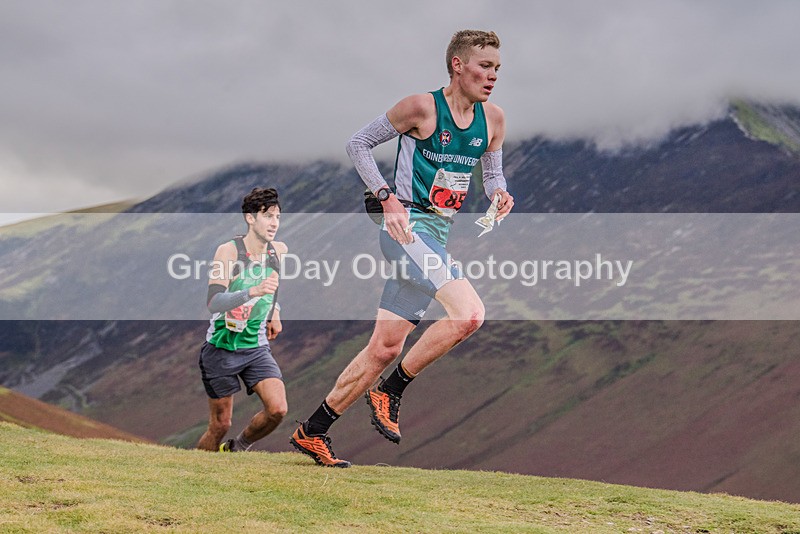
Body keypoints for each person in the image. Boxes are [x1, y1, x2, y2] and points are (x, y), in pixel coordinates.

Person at [291, 30, 514, 467]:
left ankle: (312, 430)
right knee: (469, 314)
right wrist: (385, 194)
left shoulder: (495, 121)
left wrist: (499, 192)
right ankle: (390, 391)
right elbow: (357, 144)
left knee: (386, 348)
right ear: (458, 65)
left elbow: (492, 173)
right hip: (406, 231)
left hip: (438, 232)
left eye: (497, 69)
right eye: (485, 67)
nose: (492, 77)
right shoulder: (421, 107)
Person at [196, 187, 288, 453]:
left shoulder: (278, 251)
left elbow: (274, 285)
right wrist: (251, 292)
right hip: (221, 347)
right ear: (250, 218)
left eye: (278, 217)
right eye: (267, 216)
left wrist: (275, 313)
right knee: (220, 425)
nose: (274, 223)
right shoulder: (229, 252)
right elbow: (214, 302)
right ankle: (192, 471)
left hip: (255, 347)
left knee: (277, 409)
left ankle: (237, 448)